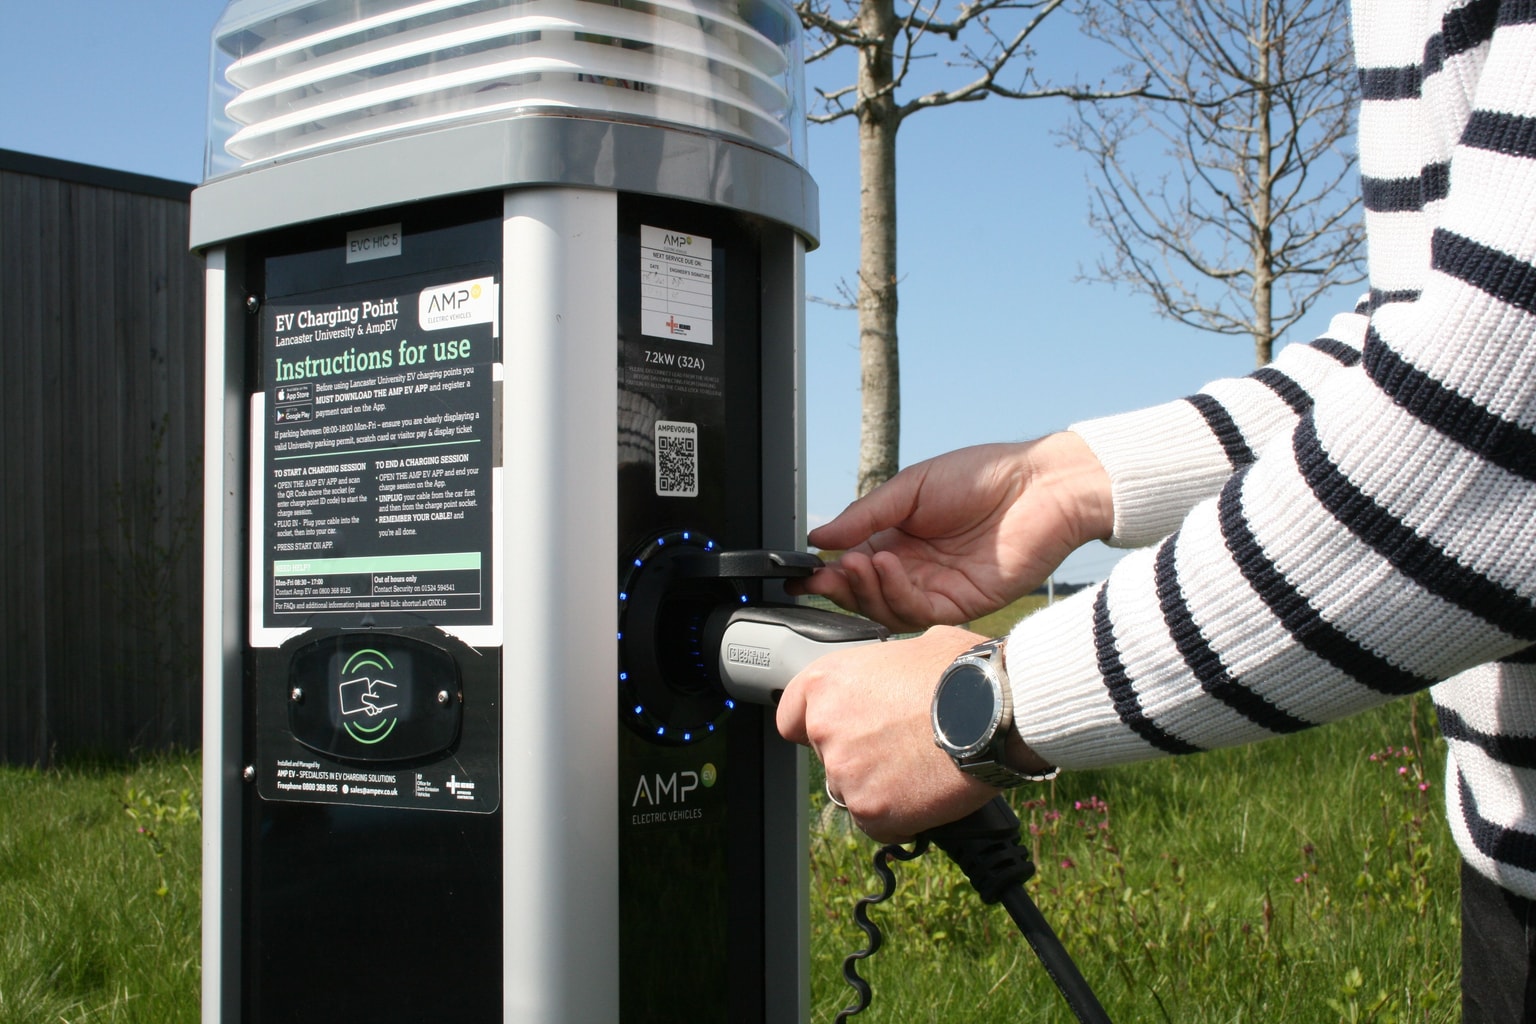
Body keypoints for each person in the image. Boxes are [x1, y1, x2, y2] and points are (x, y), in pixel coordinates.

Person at [775, 1, 1536, 1019]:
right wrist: (1068, 482)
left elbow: (1496, 430)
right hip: (1504, 867)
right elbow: (1421, 342)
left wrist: (990, 708)